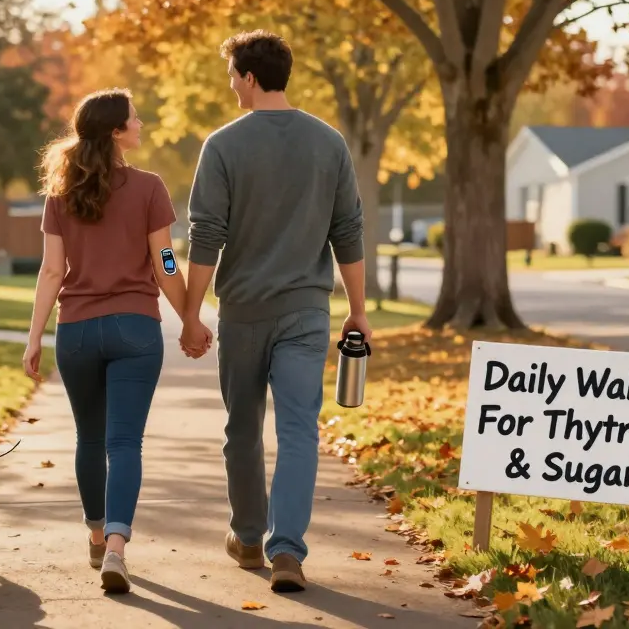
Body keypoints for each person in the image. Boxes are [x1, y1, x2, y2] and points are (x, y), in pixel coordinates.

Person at [177, 30, 371, 593]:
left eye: (233, 76)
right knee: (298, 430)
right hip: (307, 312)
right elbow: (348, 230)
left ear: (250, 78)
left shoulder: (222, 145)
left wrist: (191, 315)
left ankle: (248, 536)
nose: (231, 85)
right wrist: (357, 310)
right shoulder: (329, 142)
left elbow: (204, 236)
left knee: (242, 428)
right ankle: (288, 551)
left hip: (243, 313)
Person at [22, 87, 212, 595]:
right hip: (134, 328)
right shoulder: (149, 188)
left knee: (89, 438)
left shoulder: (61, 196)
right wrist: (189, 318)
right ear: (115, 131)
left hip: (78, 332)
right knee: (124, 442)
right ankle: (116, 548)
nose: (141, 123)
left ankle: (93, 532)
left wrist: (34, 336)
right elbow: (165, 261)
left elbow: (50, 271)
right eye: (134, 118)